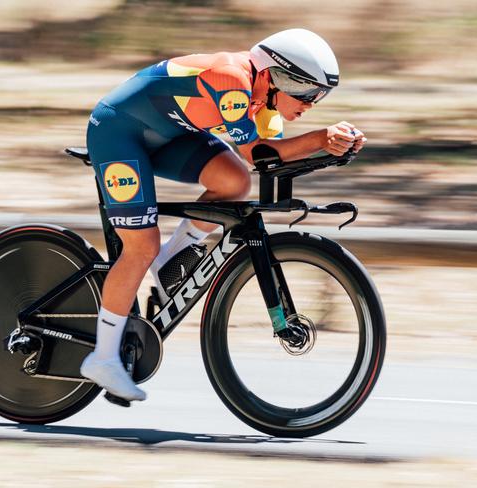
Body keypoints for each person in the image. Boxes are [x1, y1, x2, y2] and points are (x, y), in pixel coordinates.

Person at [80, 28, 367, 402]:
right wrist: (318, 138)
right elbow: (258, 153)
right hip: (119, 132)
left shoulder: (264, 102)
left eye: (320, 96)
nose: (311, 104)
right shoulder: (233, 80)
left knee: (233, 182)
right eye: (308, 93)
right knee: (140, 246)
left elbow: (271, 158)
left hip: (169, 134)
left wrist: (336, 147)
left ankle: (172, 257)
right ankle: (102, 358)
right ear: (275, 77)